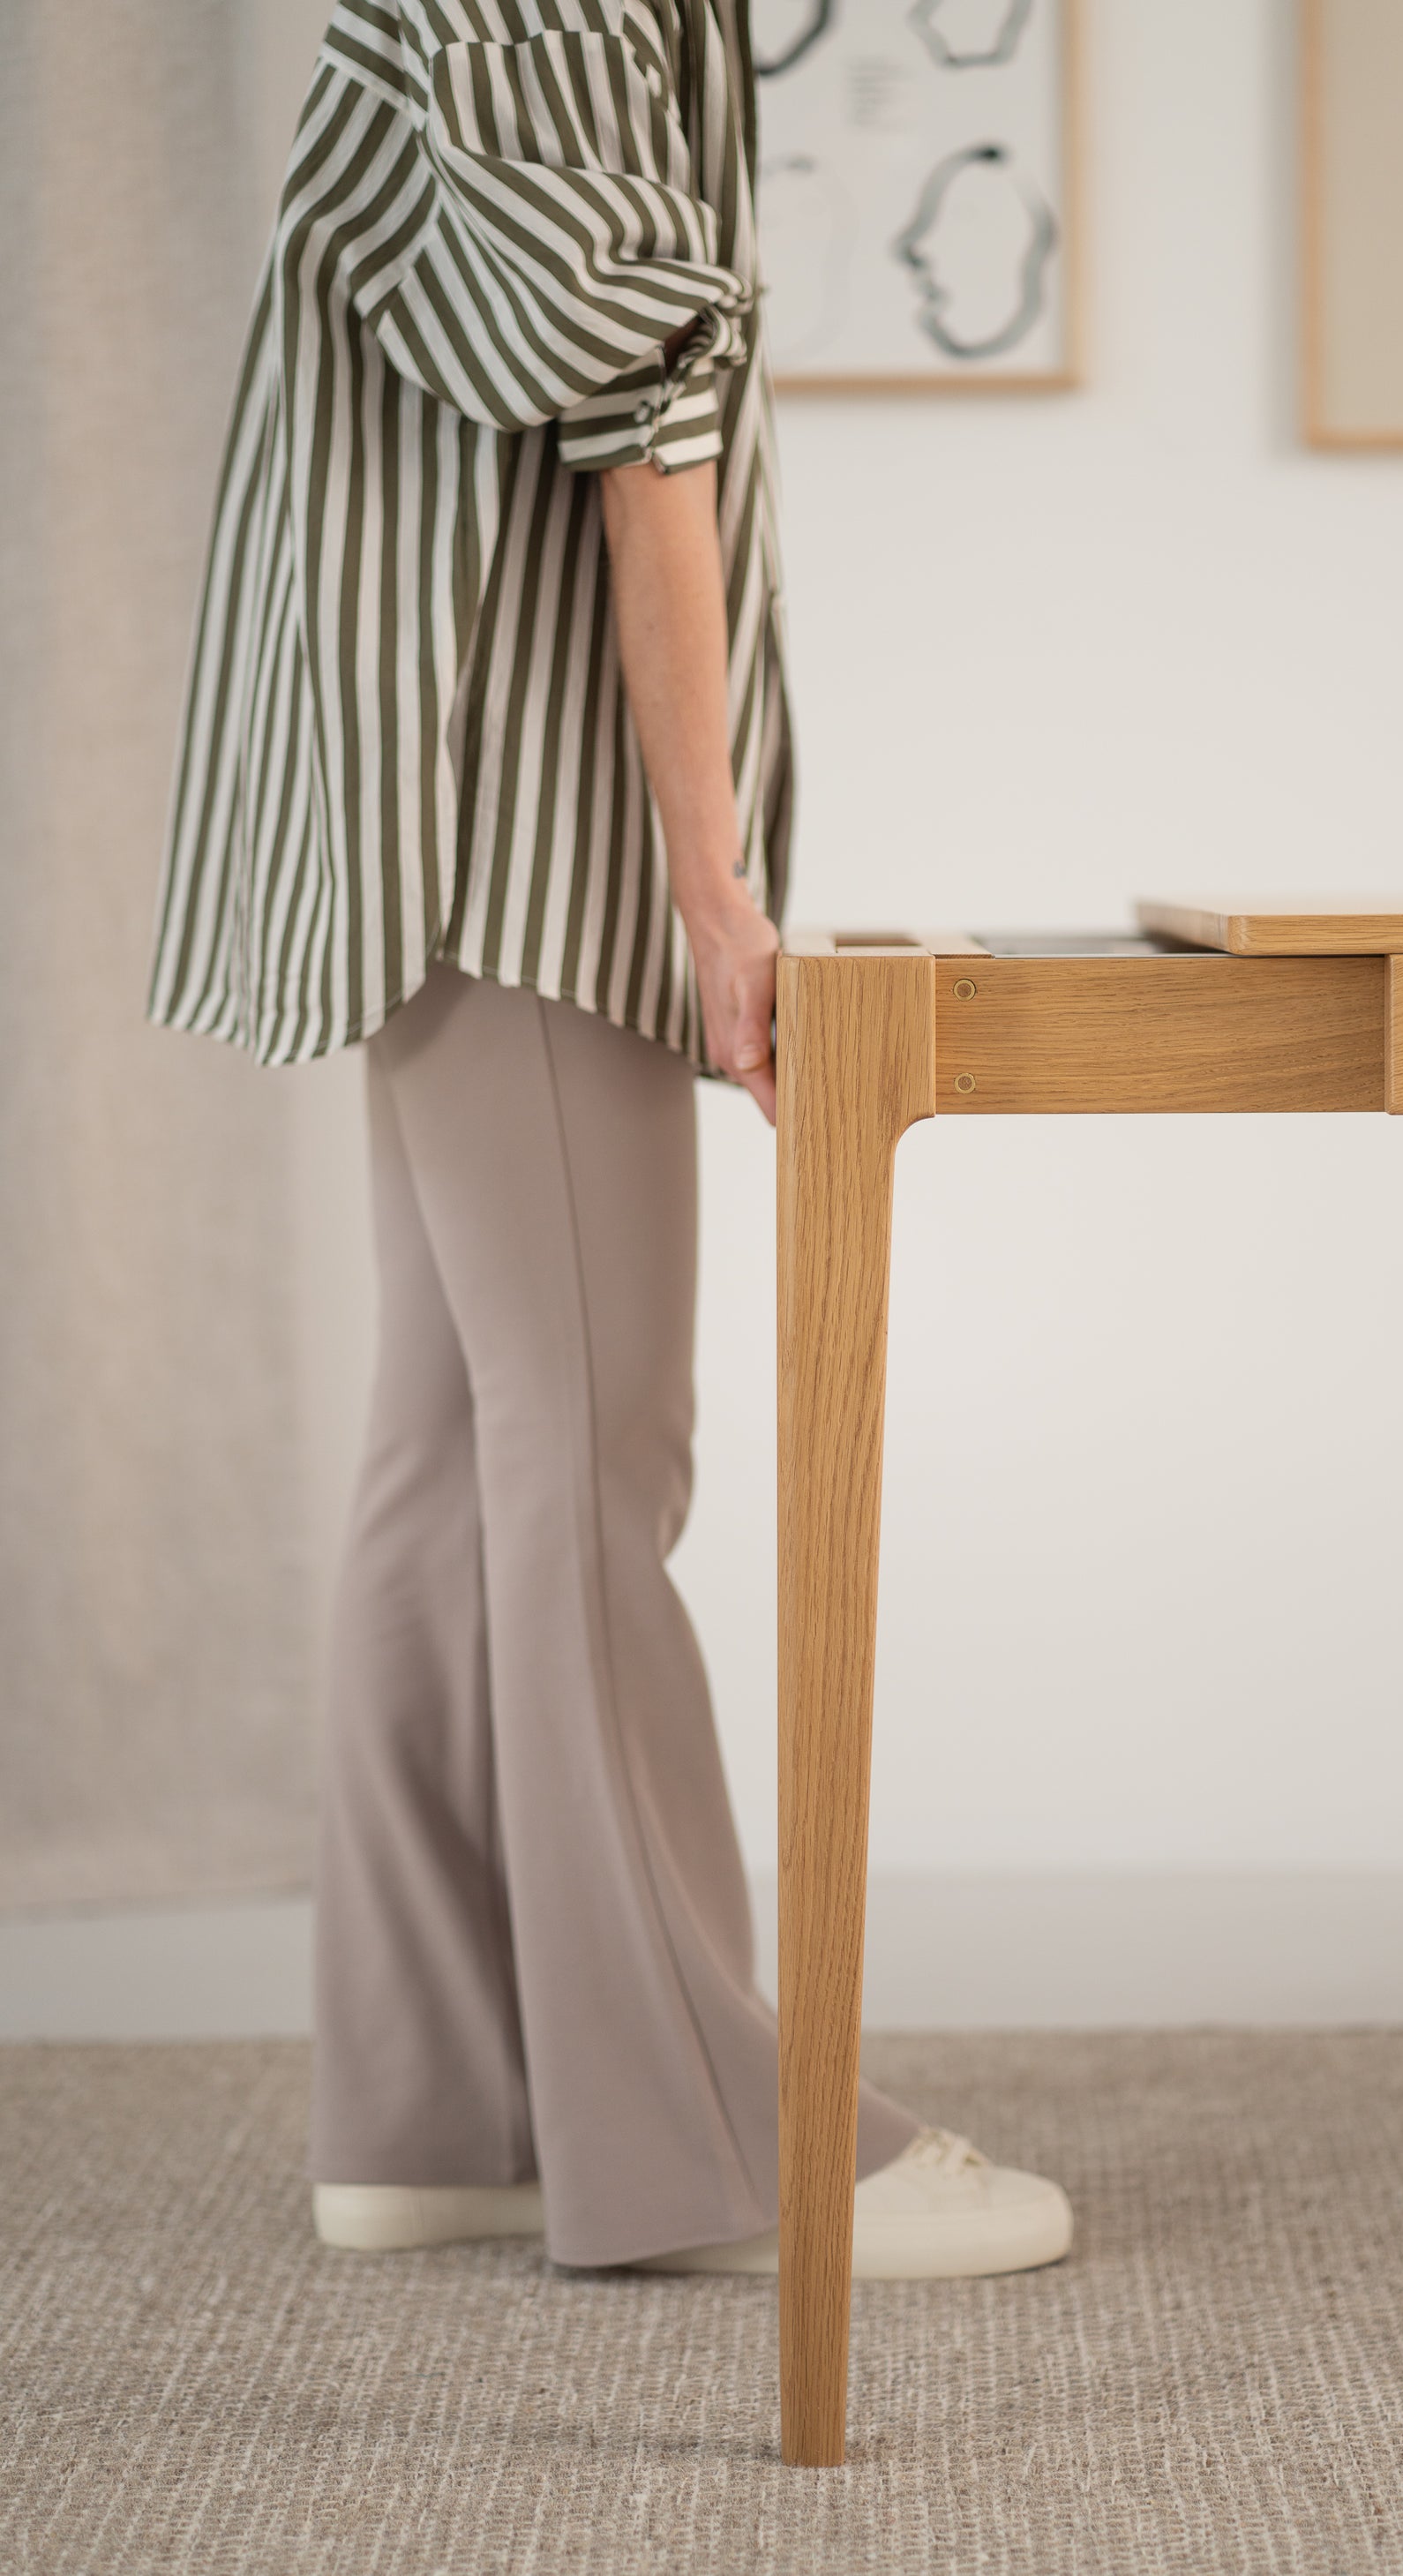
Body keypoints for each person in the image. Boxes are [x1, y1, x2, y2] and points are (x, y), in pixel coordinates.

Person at [147, 0, 1070, 2283]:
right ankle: (721, 2140)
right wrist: (715, 889)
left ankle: (435, 2108)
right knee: (588, 1454)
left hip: (415, 804)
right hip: (514, 817)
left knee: (459, 1450)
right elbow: (641, 444)